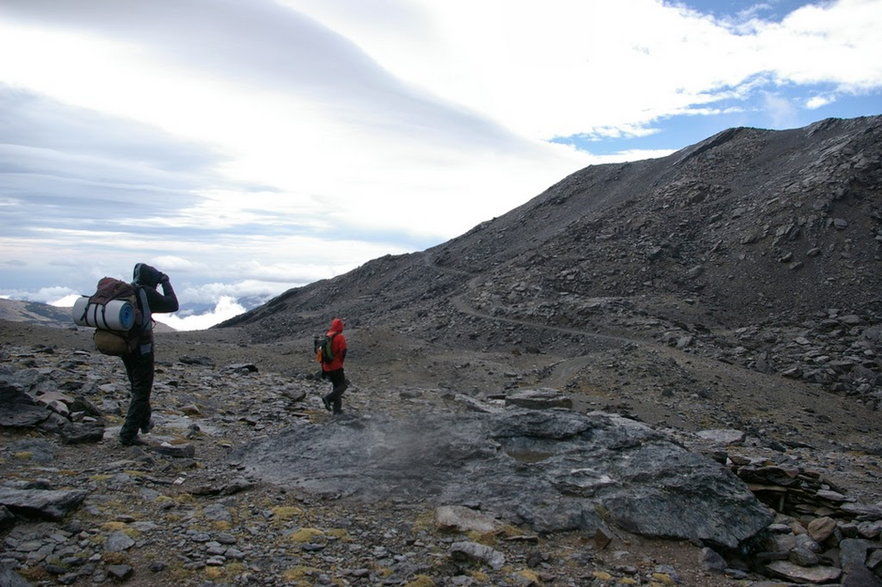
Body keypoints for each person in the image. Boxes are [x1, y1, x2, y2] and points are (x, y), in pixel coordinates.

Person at [119, 263, 179, 446]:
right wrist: (166, 282)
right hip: (142, 349)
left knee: (137, 387)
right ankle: (128, 434)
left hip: (126, 347)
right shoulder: (146, 292)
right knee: (142, 391)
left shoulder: (129, 291)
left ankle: (144, 422)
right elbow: (172, 304)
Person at [320, 318, 348, 415]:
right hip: (335, 366)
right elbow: (343, 351)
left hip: (326, 366)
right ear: (340, 326)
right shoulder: (340, 337)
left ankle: (337, 410)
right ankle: (328, 398)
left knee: (336, 387)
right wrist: (340, 361)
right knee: (343, 386)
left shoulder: (328, 335)